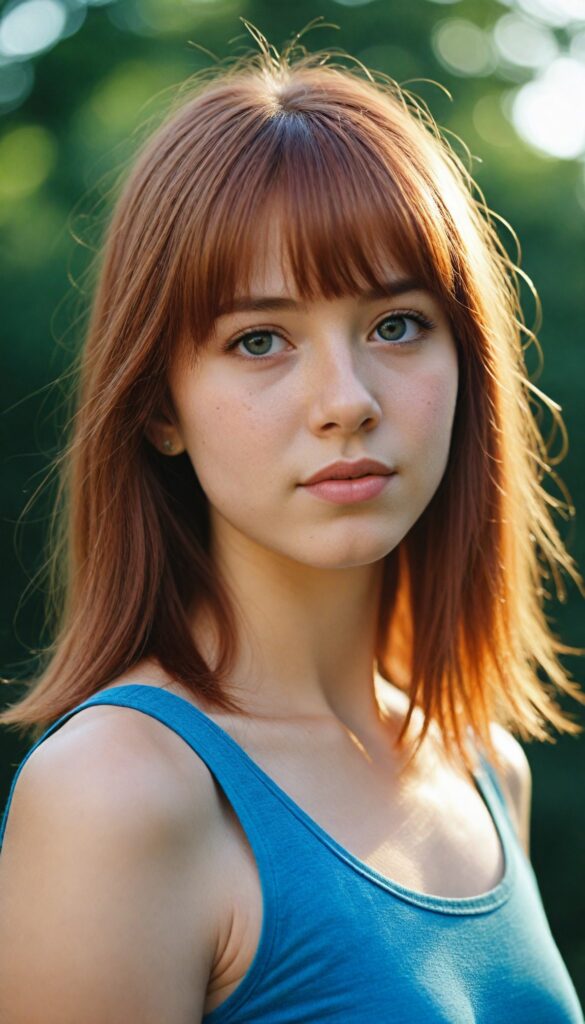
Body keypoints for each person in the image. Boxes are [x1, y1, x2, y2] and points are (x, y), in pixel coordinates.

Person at [0, 24, 583, 1024]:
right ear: (158, 408)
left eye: (396, 323)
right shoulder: (116, 797)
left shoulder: (484, 763)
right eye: (260, 339)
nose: (347, 399)